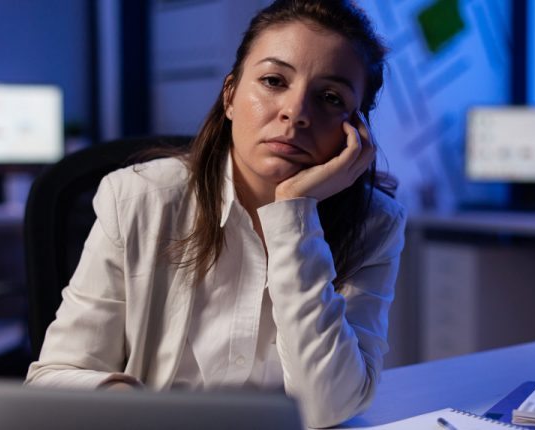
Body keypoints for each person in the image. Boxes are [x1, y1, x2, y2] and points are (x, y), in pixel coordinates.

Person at [25, 0, 406, 427]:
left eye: (330, 97)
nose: (295, 113)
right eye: (273, 80)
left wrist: (294, 215)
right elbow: (51, 378)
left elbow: (328, 407)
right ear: (229, 96)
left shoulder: (375, 223)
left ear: (356, 131)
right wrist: (132, 407)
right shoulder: (138, 197)